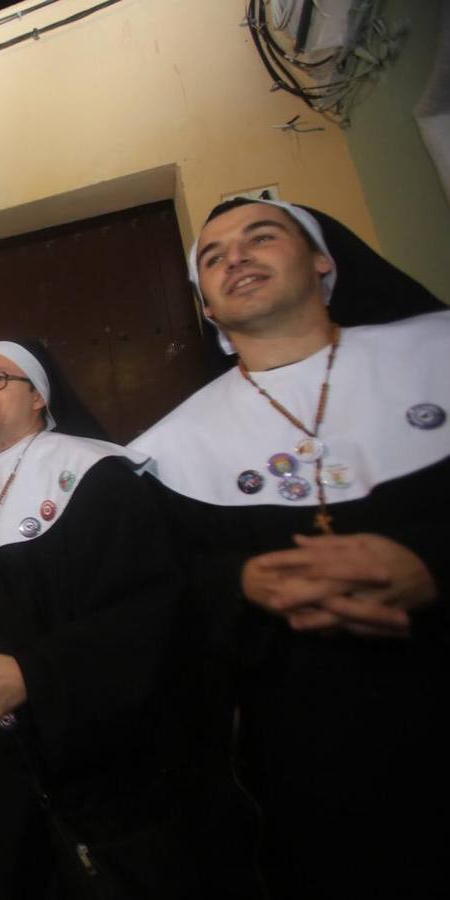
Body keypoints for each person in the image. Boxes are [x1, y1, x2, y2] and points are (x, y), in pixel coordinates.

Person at [130, 198, 449, 899]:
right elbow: (162, 598)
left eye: (260, 238)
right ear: (207, 307)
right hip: (312, 767)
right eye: (211, 257)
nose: (234, 258)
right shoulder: (170, 451)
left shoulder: (438, 357)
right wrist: (242, 583)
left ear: (323, 261)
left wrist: (433, 563)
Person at [0, 340, 195, 899]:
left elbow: (144, 613)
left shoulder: (95, 473)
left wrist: (34, 674)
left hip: (73, 751)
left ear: (39, 396)